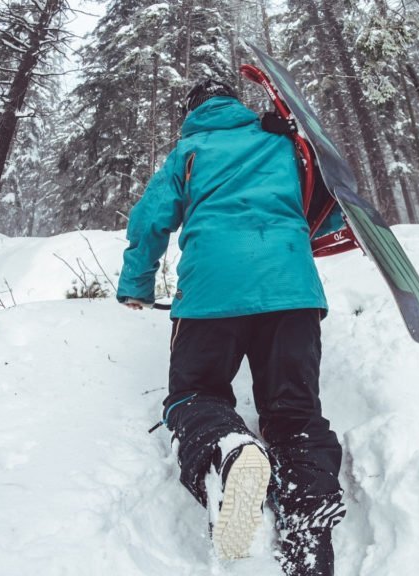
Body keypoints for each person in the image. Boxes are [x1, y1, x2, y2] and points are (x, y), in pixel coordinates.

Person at [117, 78, 344, 575]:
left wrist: (137, 283)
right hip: (292, 291)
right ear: (234, 104)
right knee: (294, 411)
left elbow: (151, 218)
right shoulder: (282, 139)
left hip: (211, 294)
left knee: (193, 394)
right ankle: (308, 528)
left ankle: (226, 451)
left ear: (191, 110)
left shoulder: (191, 150)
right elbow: (324, 212)